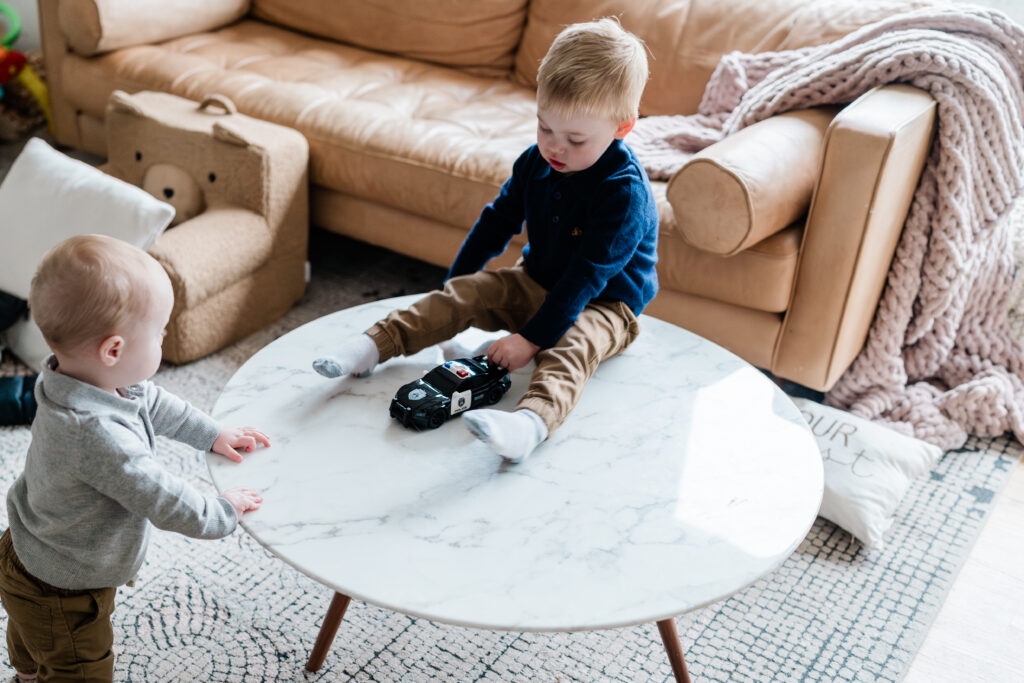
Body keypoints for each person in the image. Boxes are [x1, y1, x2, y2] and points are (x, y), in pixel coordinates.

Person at [313, 17, 658, 462]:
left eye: (575, 139)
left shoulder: (623, 193)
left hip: (606, 303)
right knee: (467, 292)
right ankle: (372, 346)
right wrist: (455, 290)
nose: (555, 148)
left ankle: (530, 423)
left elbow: (586, 277)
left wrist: (528, 341)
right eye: (544, 127)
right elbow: (496, 223)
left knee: (571, 347)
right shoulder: (537, 162)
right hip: (536, 278)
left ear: (622, 128)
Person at [0, 234, 269, 682]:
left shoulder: (79, 377)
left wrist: (212, 434)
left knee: (33, 639)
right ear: (114, 351)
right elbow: (161, 496)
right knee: (75, 664)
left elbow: (154, 403)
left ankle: (27, 673)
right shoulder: (95, 435)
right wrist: (223, 511)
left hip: (29, 551)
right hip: (62, 588)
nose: (164, 339)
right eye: (160, 332)